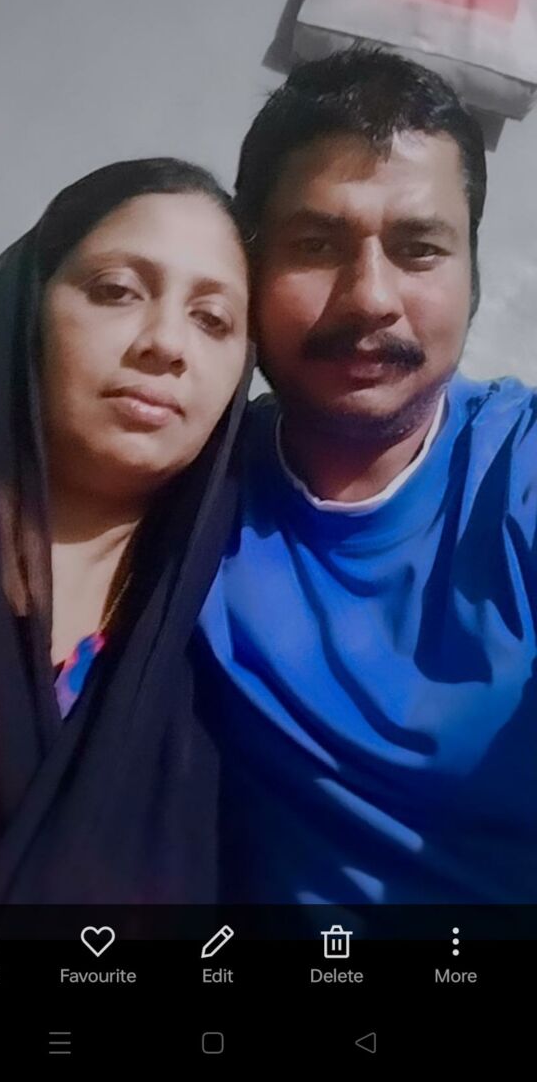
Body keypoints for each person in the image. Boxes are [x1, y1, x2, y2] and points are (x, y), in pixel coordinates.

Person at [197, 45, 537, 905]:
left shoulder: (520, 466)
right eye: (316, 244)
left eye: (419, 249)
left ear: (471, 274)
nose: (370, 297)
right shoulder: (186, 484)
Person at [0, 158, 251, 904]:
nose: (166, 343)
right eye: (118, 291)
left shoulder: (230, 646)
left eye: (213, 319)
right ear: (29, 304)